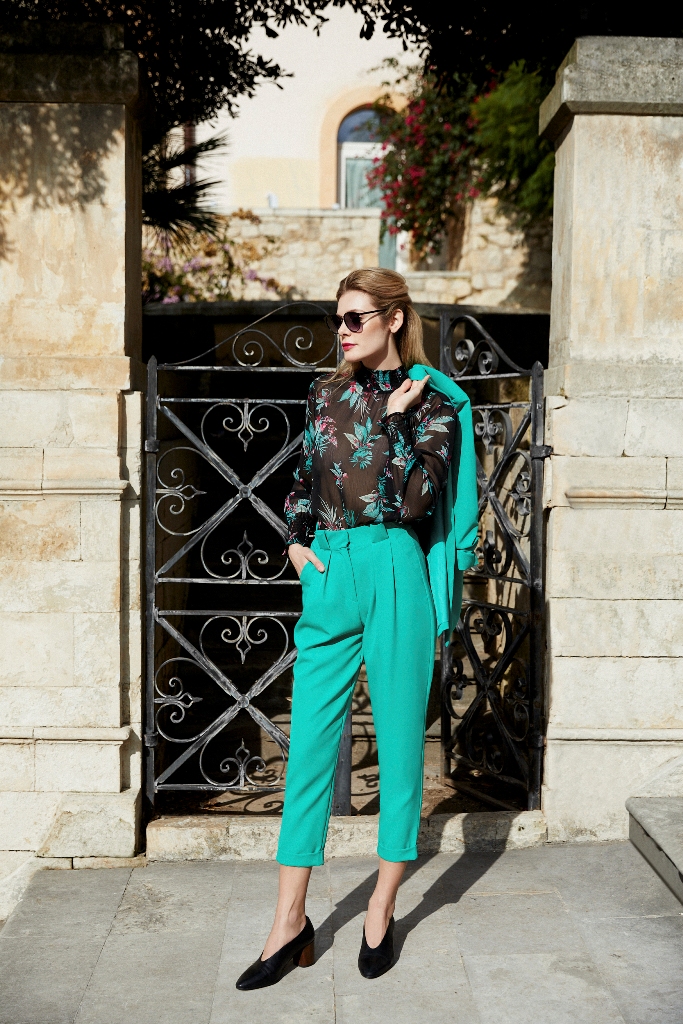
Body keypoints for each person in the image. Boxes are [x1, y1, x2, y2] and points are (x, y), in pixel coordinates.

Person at [236, 268, 477, 991]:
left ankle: (380, 907)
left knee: (401, 742)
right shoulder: (324, 394)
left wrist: (400, 420)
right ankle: (289, 923)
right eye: (336, 318)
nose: (341, 330)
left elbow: (415, 501)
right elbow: (302, 478)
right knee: (309, 742)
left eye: (354, 317)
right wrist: (294, 541)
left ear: (394, 319)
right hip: (329, 570)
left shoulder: (435, 401)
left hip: (395, 566)